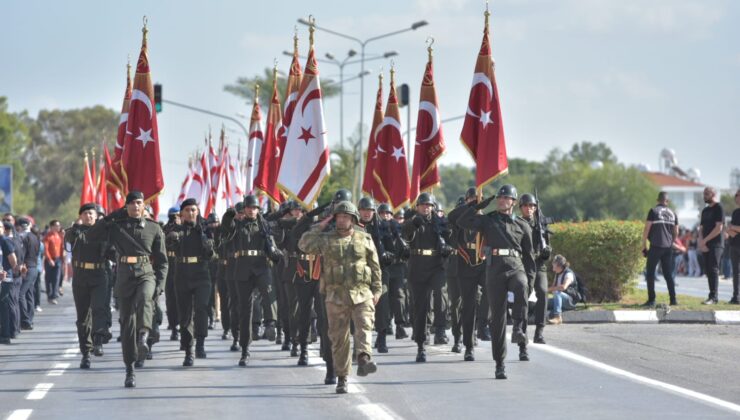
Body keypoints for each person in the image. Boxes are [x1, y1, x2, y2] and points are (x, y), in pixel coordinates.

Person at [83, 191, 168, 388]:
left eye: (139, 203)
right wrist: (111, 217)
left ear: (143, 206)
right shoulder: (116, 227)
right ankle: (129, 369)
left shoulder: (154, 228)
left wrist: (160, 285)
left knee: (146, 297)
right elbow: (90, 236)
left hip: (146, 273)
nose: (136, 206)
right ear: (126, 206)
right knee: (126, 324)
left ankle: (144, 335)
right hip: (123, 275)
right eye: (132, 203)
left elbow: (162, 262)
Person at [298, 201, 382, 394]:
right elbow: (303, 244)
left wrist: (377, 291)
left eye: (346, 216)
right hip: (335, 296)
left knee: (364, 325)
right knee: (338, 339)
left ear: (353, 219)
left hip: (362, 293)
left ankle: (363, 357)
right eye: (339, 217)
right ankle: (342, 377)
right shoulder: (325, 239)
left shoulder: (365, 239)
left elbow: (375, 266)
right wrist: (322, 224)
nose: (342, 220)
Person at [456, 184, 535, 380]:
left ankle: (518, 328)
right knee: (497, 319)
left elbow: (529, 258)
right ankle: (499, 363)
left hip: (516, 265)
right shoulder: (488, 220)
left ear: (513, 202)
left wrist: (531, 283)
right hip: (494, 269)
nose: (501, 200)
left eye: (506, 198)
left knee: (522, 285)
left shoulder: (523, 225)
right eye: (499, 197)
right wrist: (477, 205)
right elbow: (461, 220)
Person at [221, 195, 281, 367]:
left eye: (254, 208)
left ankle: (270, 324)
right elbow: (226, 227)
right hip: (243, 270)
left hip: (261, 266)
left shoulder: (264, 224)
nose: (251, 210)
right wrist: (230, 214)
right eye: (248, 207)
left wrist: (275, 253)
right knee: (245, 310)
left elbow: (272, 241)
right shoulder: (237, 225)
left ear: (258, 209)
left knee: (269, 293)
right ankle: (245, 349)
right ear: (244, 209)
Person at [401, 192, 453, 363]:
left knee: (440, 294)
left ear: (433, 207)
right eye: (423, 205)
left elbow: (450, 236)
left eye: (429, 205)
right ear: (417, 207)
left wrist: (448, 247)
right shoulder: (413, 222)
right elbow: (405, 232)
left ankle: (440, 329)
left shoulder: (440, 223)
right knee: (421, 307)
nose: (426, 207)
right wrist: (414, 222)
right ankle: (421, 345)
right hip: (418, 267)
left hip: (436, 266)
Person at [165, 198, 214, 366]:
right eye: (187, 210)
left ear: (198, 211)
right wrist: (172, 238)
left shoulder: (205, 229)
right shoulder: (175, 230)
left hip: (201, 274)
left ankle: (200, 342)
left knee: (201, 308)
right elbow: (168, 247)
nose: (191, 213)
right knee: (185, 314)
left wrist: (209, 244)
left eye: (193, 210)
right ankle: (188, 350)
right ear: (182, 214)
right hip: (182, 274)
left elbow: (213, 252)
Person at [65, 204, 111, 368]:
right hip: (81, 277)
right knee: (83, 318)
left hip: (99, 276)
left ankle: (98, 341)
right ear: (81, 216)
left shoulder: (105, 232)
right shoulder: (75, 232)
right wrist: (74, 230)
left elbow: (114, 252)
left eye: (91, 213)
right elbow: (68, 239)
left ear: (96, 216)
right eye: (85, 214)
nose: (88, 216)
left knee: (99, 309)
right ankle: (86, 353)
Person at [448, 189, 487, 361]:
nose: (475, 200)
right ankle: (468, 345)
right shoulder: (461, 218)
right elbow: (451, 216)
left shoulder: (486, 218)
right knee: (466, 306)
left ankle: (483, 326)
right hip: (465, 264)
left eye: (478, 198)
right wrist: (471, 206)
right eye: (471, 198)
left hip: (483, 263)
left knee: (491, 296)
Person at [516, 193, 550, 348]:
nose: (529, 209)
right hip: (523, 265)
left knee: (543, 292)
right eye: (526, 206)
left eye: (532, 206)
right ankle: (522, 332)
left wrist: (547, 251)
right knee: (523, 297)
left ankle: (539, 331)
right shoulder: (517, 223)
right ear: (520, 207)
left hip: (539, 264)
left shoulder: (541, 223)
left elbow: (547, 244)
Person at [641, 191, 679, 307]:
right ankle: (673, 300)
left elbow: (647, 229)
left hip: (656, 246)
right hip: (668, 247)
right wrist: (671, 242)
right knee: (668, 274)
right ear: (667, 201)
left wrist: (644, 245)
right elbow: (676, 232)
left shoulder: (653, 211)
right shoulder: (673, 214)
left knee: (650, 273)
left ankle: (652, 300)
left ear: (657, 200)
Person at [698, 187, 724, 305]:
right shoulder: (705, 211)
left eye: (707, 194)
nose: (704, 196)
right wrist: (701, 242)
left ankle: (714, 297)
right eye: (704, 194)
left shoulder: (719, 207)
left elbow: (719, 228)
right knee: (708, 270)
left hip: (716, 244)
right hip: (705, 244)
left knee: (713, 269)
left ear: (713, 194)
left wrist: (706, 240)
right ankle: (711, 295)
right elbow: (701, 228)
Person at [17, 217, 40, 330]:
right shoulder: (35, 237)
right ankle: (29, 319)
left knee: (20, 294)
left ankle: (25, 320)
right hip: (34, 267)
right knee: (29, 294)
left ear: (20, 226)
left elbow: (22, 255)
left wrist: (21, 267)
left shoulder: (23, 238)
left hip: (27, 267)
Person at [0, 222, 18, 344]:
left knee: (4, 306)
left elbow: (13, 259)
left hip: (5, 278)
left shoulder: (5, 241)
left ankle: (6, 334)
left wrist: (10, 272)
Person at [43, 220, 64, 305]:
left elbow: (62, 248)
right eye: (56, 225)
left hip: (58, 259)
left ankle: (54, 296)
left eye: (58, 226)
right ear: (51, 226)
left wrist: (62, 258)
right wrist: (49, 259)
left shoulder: (59, 236)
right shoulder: (47, 237)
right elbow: (46, 249)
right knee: (48, 279)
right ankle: (49, 295)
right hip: (49, 260)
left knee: (56, 278)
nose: (57, 227)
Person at [727, 189, 740, 304]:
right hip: (734, 245)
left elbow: (734, 227)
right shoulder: (735, 212)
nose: (736, 197)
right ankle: (736, 296)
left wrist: (733, 227)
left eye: (737, 195)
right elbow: (730, 228)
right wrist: (730, 229)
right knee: (735, 273)